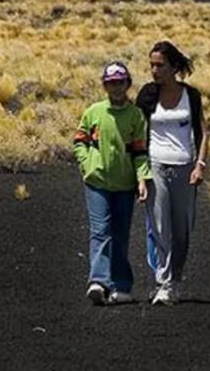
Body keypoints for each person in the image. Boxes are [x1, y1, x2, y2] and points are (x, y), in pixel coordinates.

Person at [136, 40, 208, 306]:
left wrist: (200, 165)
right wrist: (140, 172)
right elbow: (137, 132)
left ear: (174, 67)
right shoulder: (146, 95)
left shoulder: (191, 96)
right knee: (159, 227)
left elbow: (203, 133)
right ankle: (163, 282)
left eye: (160, 65)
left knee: (182, 230)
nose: (154, 71)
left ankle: (174, 280)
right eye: (152, 65)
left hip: (185, 168)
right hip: (156, 165)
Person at [73, 61, 150, 306]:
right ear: (104, 85)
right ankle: (98, 281)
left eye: (120, 82)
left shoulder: (135, 115)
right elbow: (80, 141)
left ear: (128, 84)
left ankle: (121, 286)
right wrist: (87, 164)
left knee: (120, 234)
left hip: (125, 185)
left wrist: (141, 178)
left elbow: (139, 152)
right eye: (111, 83)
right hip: (97, 182)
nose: (116, 88)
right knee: (100, 231)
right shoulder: (94, 112)